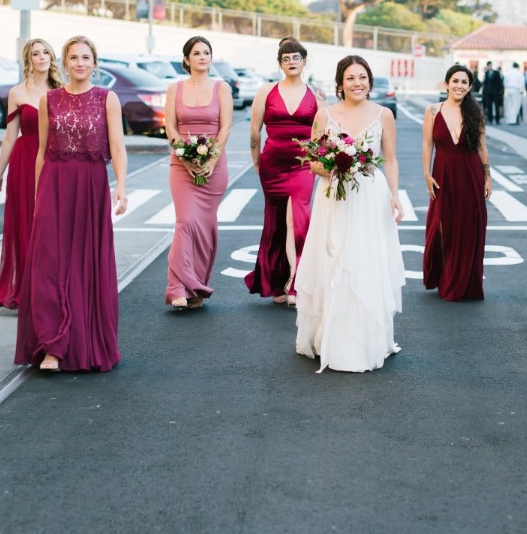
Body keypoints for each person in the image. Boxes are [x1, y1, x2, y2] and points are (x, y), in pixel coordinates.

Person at [15, 35, 127, 372]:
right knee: (49, 264)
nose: (79, 63)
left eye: (85, 57)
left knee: (83, 264)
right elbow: (41, 152)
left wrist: (121, 186)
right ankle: (51, 344)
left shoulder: (108, 99)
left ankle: (81, 341)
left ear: (95, 62)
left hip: (91, 187)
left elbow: (118, 148)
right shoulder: (49, 99)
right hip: (54, 185)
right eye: (73, 58)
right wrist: (37, 196)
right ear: (64, 63)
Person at [295, 55, 405, 373]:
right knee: (333, 262)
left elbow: (391, 159)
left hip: (370, 196)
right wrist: (331, 167)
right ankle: (328, 335)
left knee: (365, 263)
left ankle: (365, 339)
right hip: (334, 196)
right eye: (350, 78)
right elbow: (313, 161)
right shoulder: (325, 115)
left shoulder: (384, 115)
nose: (357, 83)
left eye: (362, 77)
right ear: (340, 84)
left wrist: (395, 196)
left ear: (369, 81)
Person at [246, 36, 321, 305]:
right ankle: (276, 281)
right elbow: (255, 130)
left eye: (296, 58)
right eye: (286, 59)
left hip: (303, 165)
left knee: (296, 219)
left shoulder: (316, 96)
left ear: (304, 61)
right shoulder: (266, 91)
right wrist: (256, 160)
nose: (291, 62)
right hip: (272, 164)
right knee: (276, 222)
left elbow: (323, 135)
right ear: (280, 63)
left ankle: (296, 282)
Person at [0, 38, 61, 309]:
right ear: (28, 60)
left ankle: (50, 285)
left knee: (50, 225)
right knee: (26, 223)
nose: (41, 57)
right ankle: (26, 289)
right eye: (35, 54)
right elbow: (9, 137)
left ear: (52, 57)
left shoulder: (62, 90)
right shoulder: (17, 93)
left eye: (45, 52)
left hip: (53, 162)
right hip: (23, 163)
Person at [164, 35, 233, 309]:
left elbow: (225, 127)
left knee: (205, 227)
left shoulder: (221, 88)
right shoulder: (175, 89)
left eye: (206, 52)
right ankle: (177, 287)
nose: (202, 57)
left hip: (214, 167)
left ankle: (196, 288)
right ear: (186, 59)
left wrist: (211, 161)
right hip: (181, 166)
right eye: (196, 53)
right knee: (185, 222)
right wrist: (186, 157)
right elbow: (170, 127)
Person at [422, 65, 492, 301]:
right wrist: (426, 174)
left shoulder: (476, 113)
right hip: (442, 173)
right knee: (444, 227)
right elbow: (427, 144)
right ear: (446, 84)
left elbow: (482, 147)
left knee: (470, 227)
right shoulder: (432, 111)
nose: (459, 85)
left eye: (464, 82)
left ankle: (464, 282)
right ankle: (444, 275)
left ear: (470, 87)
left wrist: (488, 177)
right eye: (455, 81)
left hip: (470, 173)